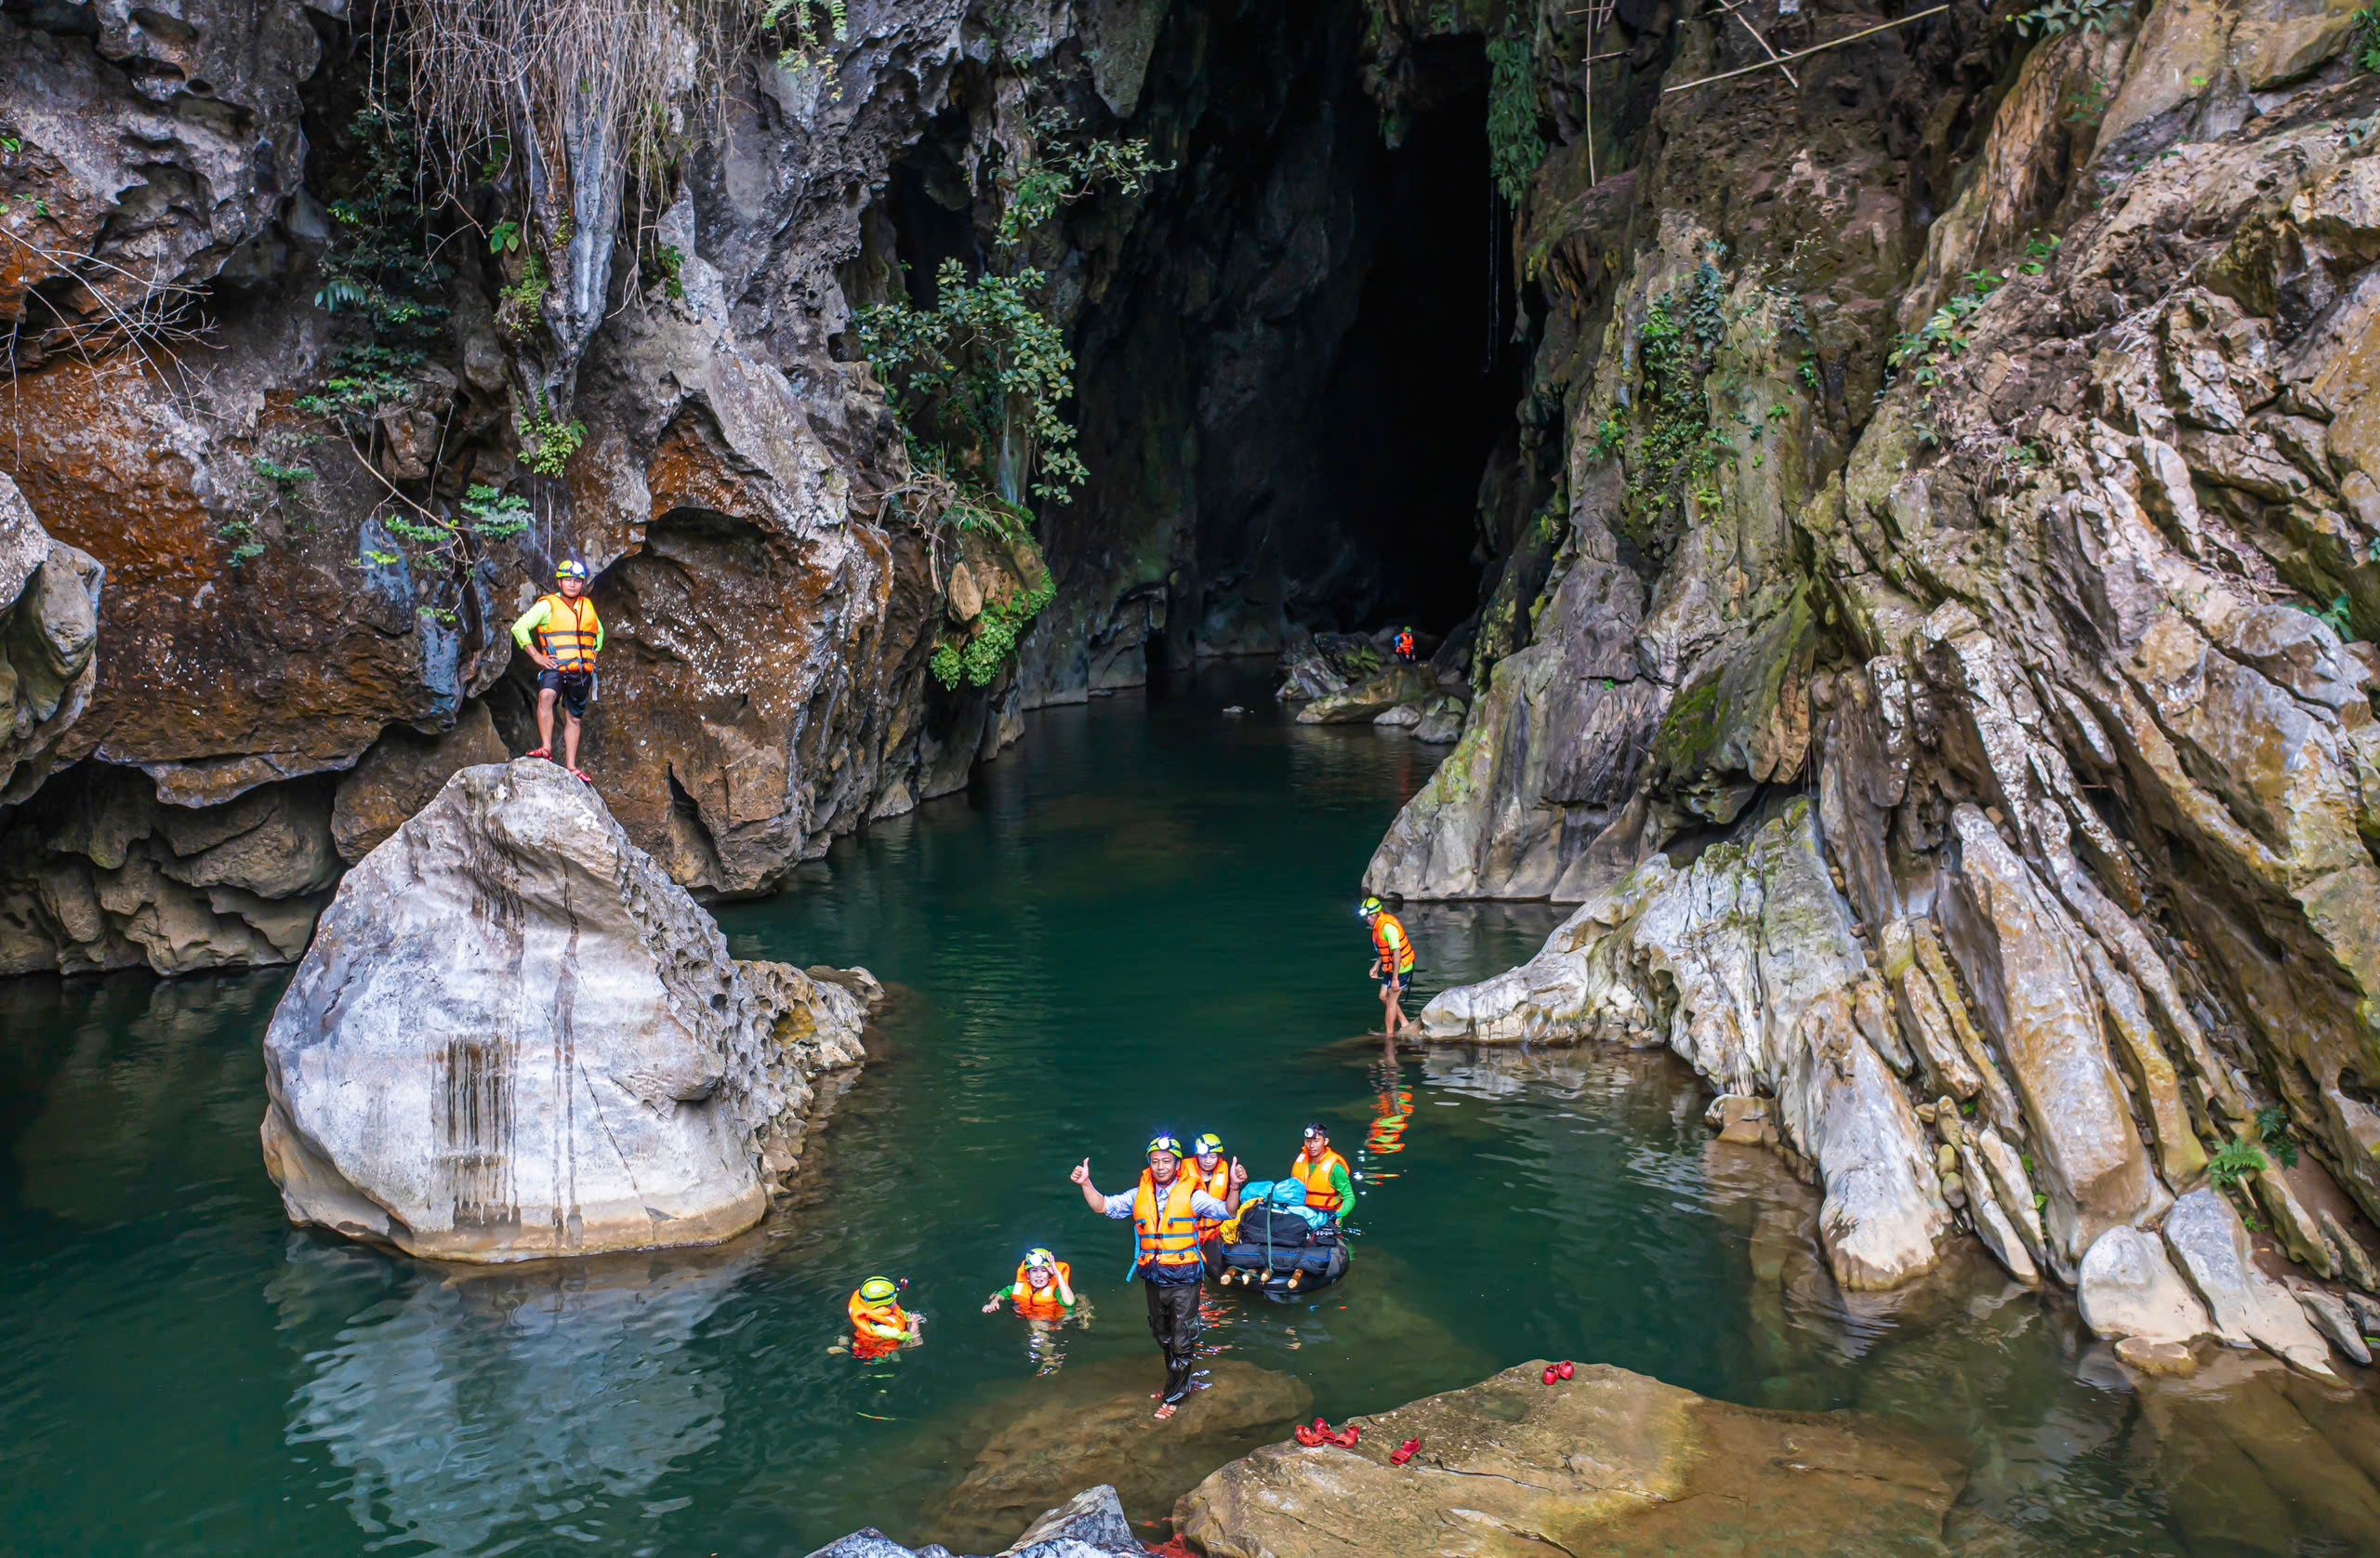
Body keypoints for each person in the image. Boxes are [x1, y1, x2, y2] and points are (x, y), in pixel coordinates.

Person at [1073, 1133, 1245, 1419]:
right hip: (1155, 1276)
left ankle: (1175, 1396)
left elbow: (1226, 1211)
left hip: (1185, 1276)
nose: (1161, 1166)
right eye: (1155, 1162)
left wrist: (1235, 1187)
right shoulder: (1138, 1194)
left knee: (1181, 1336)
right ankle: (1176, 1383)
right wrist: (1085, 1184)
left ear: (1177, 1164)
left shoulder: (1192, 1193)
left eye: (1167, 1161)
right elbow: (1102, 1206)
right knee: (1161, 1333)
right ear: (1149, 1164)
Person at [511, 560, 603, 782]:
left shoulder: (587, 606)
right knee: (546, 696)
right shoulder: (548, 605)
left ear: (582, 584)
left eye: (577, 581)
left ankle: (571, 766)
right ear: (560, 582)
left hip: (581, 671)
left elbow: (598, 634)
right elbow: (519, 627)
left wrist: (592, 657)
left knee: (574, 717)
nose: (572, 585)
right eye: (568, 580)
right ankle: (546, 747)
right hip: (556, 666)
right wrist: (537, 656)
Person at [1361, 894, 1417, 1038]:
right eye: (1366, 916)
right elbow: (1384, 950)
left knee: (1391, 1002)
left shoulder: (1388, 928)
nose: (1367, 919)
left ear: (1378, 913)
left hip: (1402, 967)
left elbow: (1396, 952)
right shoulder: (1378, 926)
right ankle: (1405, 1023)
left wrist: (1395, 978)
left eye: (1370, 916)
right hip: (1391, 967)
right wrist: (1376, 965)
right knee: (1382, 997)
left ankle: (1390, 1036)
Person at [983, 1248, 1077, 1320]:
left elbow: (1070, 1303)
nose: (1039, 1275)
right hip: (1029, 1316)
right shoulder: (1018, 1288)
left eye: (1044, 1271)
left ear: (1049, 1275)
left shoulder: (1056, 1291)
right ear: (1028, 1274)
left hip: (1055, 1320)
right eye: (1034, 1271)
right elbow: (1002, 1294)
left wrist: (1057, 1273)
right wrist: (994, 1302)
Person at [1289, 1122, 1355, 1220]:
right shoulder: (1300, 1162)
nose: (1311, 1146)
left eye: (1316, 1141)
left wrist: (1337, 1216)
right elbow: (1291, 1189)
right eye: (1308, 1141)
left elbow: (1349, 1198)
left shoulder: (1335, 1168)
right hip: (1301, 1216)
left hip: (1327, 1217)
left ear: (1325, 1141)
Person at [847, 1275, 920, 1361]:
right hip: (874, 1350)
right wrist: (915, 1322)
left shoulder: (873, 1311)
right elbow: (909, 1337)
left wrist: (907, 1317)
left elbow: (897, 1314)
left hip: (862, 1338)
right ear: (886, 1305)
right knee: (915, 1343)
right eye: (894, 1299)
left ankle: (845, 1342)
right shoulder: (883, 1329)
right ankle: (846, 1349)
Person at [1186, 1132, 1239, 1249]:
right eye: (1203, 1156)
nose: (1208, 1161)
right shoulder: (1183, 1170)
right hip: (1188, 1233)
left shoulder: (1227, 1171)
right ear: (1197, 1156)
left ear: (1219, 1156)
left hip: (1215, 1233)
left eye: (1212, 1156)